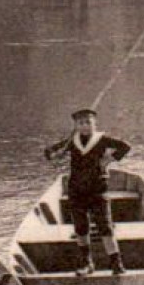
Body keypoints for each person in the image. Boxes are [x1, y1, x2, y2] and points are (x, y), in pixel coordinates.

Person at [42, 108, 132, 276]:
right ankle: (87, 264)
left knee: (105, 227)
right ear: (76, 125)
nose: (84, 126)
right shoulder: (71, 141)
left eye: (88, 122)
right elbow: (48, 152)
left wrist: (108, 160)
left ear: (94, 123)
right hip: (76, 190)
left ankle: (116, 264)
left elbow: (125, 147)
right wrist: (57, 155)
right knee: (81, 228)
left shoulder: (102, 140)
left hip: (98, 190)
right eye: (80, 123)